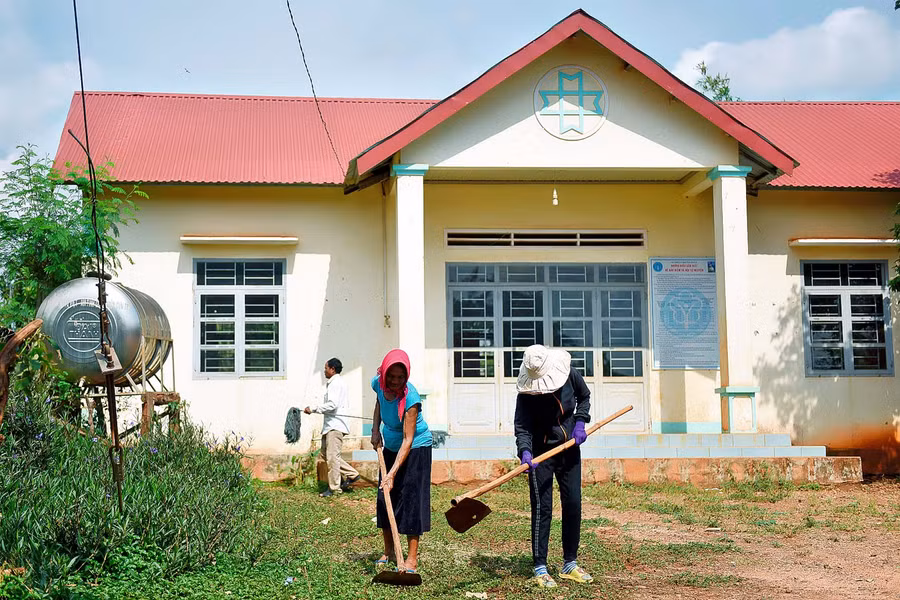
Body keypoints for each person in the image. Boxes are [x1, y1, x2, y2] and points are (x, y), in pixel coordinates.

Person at [514, 344, 593, 588]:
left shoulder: (569, 373)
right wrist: (525, 451)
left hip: (569, 449)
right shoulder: (527, 392)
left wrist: (580, 423)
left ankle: (570, 563)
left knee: (573, 503)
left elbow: (584, 397)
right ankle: (540, 566)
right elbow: (522, 426)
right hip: (541, 455)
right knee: (542, 508)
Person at [370, 348, 432, 573]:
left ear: (406, 378)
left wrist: (392, 473)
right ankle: (389, 551)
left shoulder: (411, 399)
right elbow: (379, 403)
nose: (395, 382)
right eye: (391, 377)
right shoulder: (378, 383)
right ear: (384, 374)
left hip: (416, 449)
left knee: (411, 501)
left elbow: (408, 439)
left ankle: (412, 559)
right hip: (390, 446)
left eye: (400, 378)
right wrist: (375, 430)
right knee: (384, 497)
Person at [304, 357, 360, 497]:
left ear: (332, 369)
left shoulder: (336, 383)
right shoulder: (335, 383)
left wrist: (313, 409)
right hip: (331, 426)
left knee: (332, 456)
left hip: (335, 426)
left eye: (326, 368)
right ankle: (352, 474)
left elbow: (332, 404)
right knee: (326, 454)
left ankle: (334, 488)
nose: (324, 371)